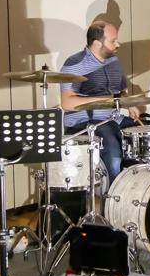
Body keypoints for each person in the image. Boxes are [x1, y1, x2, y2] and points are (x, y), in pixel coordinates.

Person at [60, 21, 141, 185]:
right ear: (97, 43)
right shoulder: (75, 64)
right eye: (113, 41)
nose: (117, 44)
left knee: (147, 134)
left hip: (112, 120)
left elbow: (120, 91)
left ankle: (138, 197)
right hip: (83, 125)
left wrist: (129, 103)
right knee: (111, 148)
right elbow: (67, 103)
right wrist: (103, 100)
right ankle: (111, 204)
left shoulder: (113, 62)